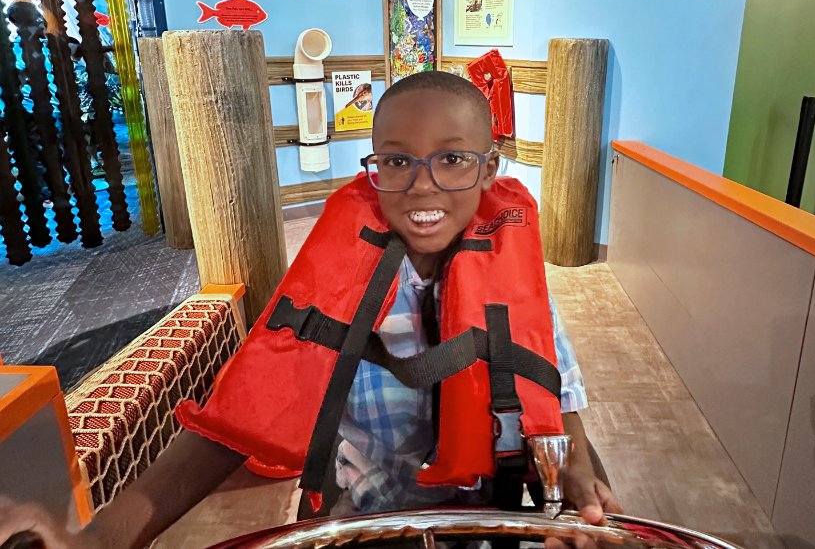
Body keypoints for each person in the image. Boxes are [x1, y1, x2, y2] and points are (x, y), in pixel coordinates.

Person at [1, 72, 620, 548]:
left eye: (453, 159)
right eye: (398, 160)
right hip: (365, 525)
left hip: (491, 521)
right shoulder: (336, 288)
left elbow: (553, 395)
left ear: (491, 170)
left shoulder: (513, 288)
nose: (422, 184)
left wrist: (577, 493)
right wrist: (104, 537)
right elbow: (234, 424)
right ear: (373, 167)